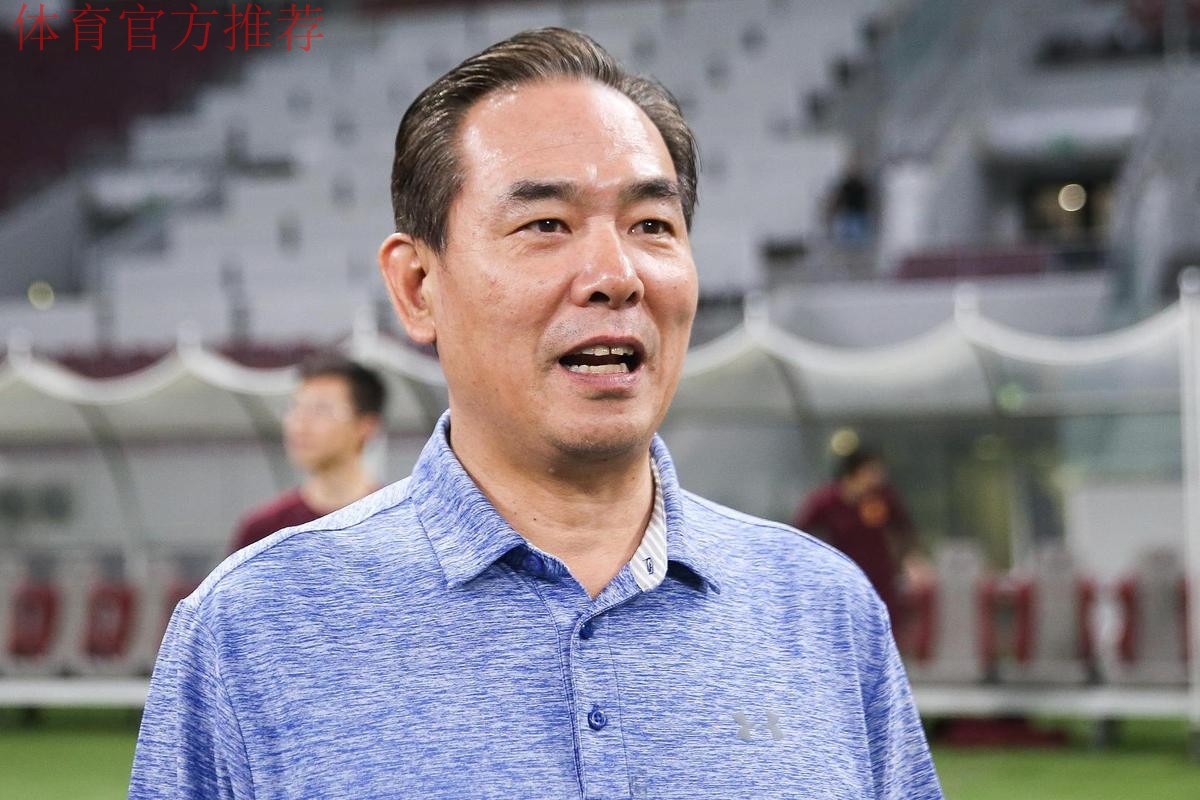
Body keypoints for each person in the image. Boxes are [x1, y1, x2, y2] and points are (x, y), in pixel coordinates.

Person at [130, 28, 941, 799]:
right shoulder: (253, 628)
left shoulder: (825, 611)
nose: (616, 275)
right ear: (417, 287)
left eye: (652, 225)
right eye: (546, 224)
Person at [228, 355, 387, 553]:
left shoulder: (394, 526)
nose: (300, 423)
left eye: (321, 410)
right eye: (295, 407)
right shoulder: (264, 533)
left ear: (366, 426)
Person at [793, 446, 920, 633]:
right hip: (843, 578)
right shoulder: (826, 500)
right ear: (855, 472)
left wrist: (908, 559)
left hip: (880, 579)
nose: (878, 478)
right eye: (872, 472)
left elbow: (905, 529)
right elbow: (800, 531)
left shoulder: (882, 498)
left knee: (882, 629)